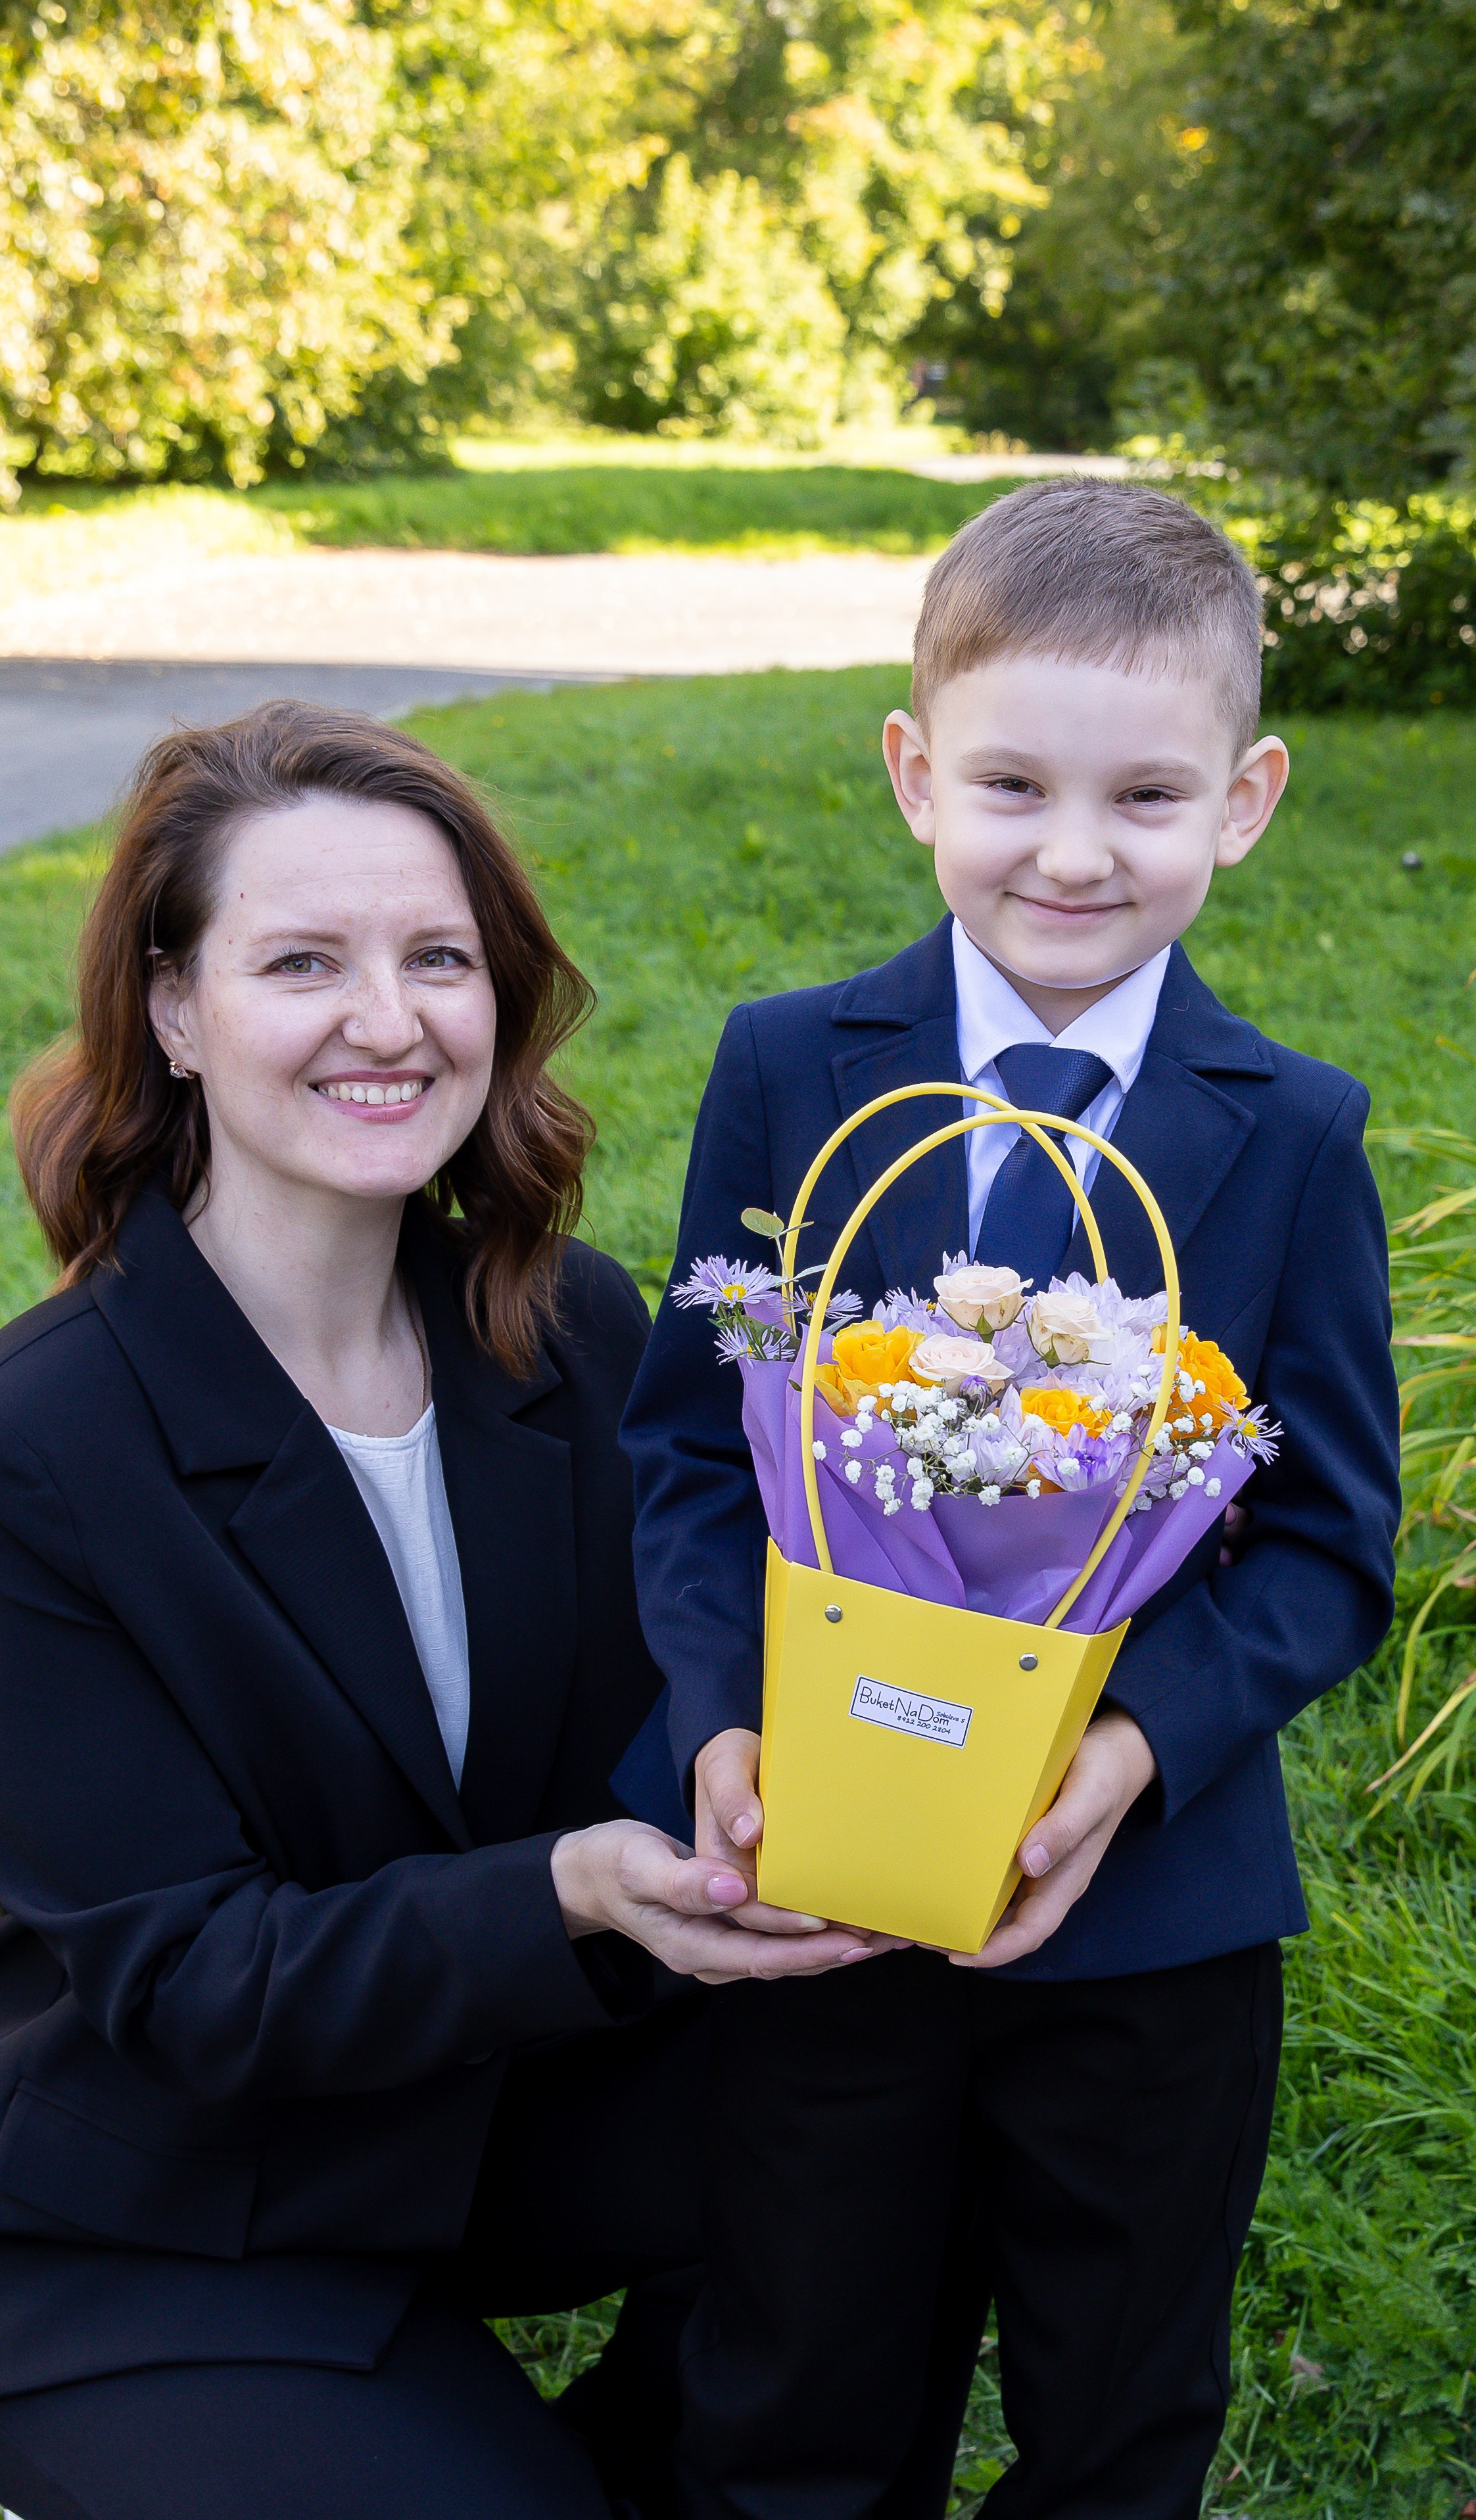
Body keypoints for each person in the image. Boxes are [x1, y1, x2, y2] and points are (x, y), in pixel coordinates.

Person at [0, 701, 880, 2520]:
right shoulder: (32, 1445)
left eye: (438, 959)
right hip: (153, 2207)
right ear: (175, 1009)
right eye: (304, 961)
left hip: (496, 2113)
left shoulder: (575, 1329)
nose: (389, 1021)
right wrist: (566, 1889)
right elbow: (186, 1978)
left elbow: (706, 1688)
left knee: (903, 2106)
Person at [619, 482, 1401, 2518]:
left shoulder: (1292, 1134)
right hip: (824, 1868)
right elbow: (693, 1446)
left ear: (1243, 800)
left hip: (1150, 1913)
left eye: (1144, 796)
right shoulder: (791, 1067)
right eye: (1009, 787)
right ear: (912, 774)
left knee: (1118, 2405)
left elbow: (1329, 1540)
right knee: (798, 2378)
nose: (1070, 853)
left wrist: (1124, 1753)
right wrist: (720, 1725)